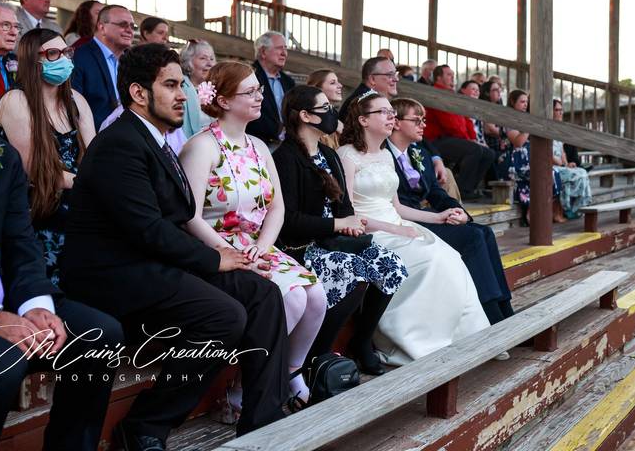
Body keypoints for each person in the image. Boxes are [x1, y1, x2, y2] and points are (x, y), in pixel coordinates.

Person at [61, 44, 291, 449]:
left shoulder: (156, 140)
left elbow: (177, 218)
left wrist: (227, 259)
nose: (183, 94)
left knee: (264, 294)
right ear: (138, 93)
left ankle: (263, 423)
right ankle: (145, 426)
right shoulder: (120, 143)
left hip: (160, 263)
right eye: (170, 85)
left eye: (182, 85)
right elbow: (146, 229)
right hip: (117, 274)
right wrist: (215, 258)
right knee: (224, 315)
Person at [0, 26, 122, 451]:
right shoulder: (16, 104)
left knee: (102, 333)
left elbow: (18, 240)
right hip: (46, 218)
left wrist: (36, 304)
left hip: (18, 279)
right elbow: (40, 176)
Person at [179, 61, 325, 412]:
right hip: (215, 247)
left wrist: (262, 245)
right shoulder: (201, 147)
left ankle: (289, 373)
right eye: (251, 92)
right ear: (225, 101)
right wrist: (230, 253)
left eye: (260, 90)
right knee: (291, 299)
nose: (260, 97)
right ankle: (243, 385)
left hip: (257, 245)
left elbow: (277, 207)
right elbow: (189, 217)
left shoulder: (258, 146)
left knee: (316, 296)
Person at [337, 91, 489, 365]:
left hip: (397, 224)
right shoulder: (346, 156)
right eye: (383, 112)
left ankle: (458, 337)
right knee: (431, 261)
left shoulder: (385, 155)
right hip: (368, 230)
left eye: (391, 112)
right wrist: (396, 231)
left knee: (450, 257)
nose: (391, 116)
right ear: (362, 120)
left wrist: (438, 217)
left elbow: (396, 207)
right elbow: (349, 213)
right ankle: (420, 341)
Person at [274, 86, 408, 375]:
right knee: (354, 271)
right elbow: (289, 220)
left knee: (391, 265)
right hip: (303, 246)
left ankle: (362, 340)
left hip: (334, 240)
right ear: (306, 116)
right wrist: (337, 224)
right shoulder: (285, 157)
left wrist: (350, 224)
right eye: (324, 109)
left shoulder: (327, 153)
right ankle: (317, 353)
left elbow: (344, 206)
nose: (332, 113)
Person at [389, 97, 513, 326]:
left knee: (484, 232)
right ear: (395, 123)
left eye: (424, 120)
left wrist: (459, 211)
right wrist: (440, 217)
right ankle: (491, 314)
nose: (423, 125)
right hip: (405, 221)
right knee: (472, 237)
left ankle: (505, 307)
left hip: (427, 215)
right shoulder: (384, 155)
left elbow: (435, 192)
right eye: (416, 120)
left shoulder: (419, 153)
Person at [0, 29, 94, 285]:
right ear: (32, 60)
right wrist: (92, 182)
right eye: (53, 54)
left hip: (79, 209)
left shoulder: (76, 100)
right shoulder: (16, 101)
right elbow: (36, 170)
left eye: (66, 52)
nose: (63, 59)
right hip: (38, 213)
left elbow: (93, 158)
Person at [341, 57, 461, 199]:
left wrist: (436, 157)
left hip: (396, 160)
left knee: (444, 176)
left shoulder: (379, 100)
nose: (396, 79)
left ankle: (454, 215)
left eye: (396, 75)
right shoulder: (361, 105)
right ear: (372, 79)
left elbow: (411, 131)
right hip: (379, 172)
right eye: (390, 75)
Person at [423, 65, 495, 201]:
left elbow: (466, 119)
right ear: (438, 77)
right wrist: (469, 140)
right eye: (449, 75)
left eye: (453, 74)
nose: (452, 77)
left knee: (488, 153)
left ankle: (470, 188)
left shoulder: (452, 94)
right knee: (474, 150)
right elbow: (449, 124)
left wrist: (472, 138)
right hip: (436, 140)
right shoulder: (436, 94)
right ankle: (463, 190)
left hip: (453, 138)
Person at [71, 4, 135, 130]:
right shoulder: (78, 57)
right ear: (102, 27)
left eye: (132, 26)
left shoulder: (132, 60)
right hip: (93, 140)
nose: (130, 30)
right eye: (123, 25)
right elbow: (72, 107)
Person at [505, 89, 564, 225]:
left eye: (527, 102)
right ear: (513, 102)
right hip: (515, 160)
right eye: (522, 101)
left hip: (530, 159)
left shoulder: (525, 119)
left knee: (554, 172)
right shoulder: (508, 119)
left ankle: (549, 210)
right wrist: (529, 126)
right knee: (543, 173)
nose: (525, 104)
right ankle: (533, 210)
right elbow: (518, 142)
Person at [247, 31, 295, 147]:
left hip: (287, 145)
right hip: (257, 144)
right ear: (263, 52)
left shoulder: (288, 81)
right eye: (279, 48)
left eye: (285, 48)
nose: (284, 53)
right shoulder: (249, 77)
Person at [551, 99, 592, 218]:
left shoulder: (558, 128)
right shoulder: (546, 128)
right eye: (557, 110)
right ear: (551, 112)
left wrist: (566, 163)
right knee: (574, 175)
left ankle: (580, 207)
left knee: (582, 172)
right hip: (553, 166)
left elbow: (562, 151)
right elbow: (548, 154)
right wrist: (562, 165)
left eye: (561, 110)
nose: (560, 113)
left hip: (561, 165)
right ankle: (568, 208)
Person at [180, 39, 216, 137]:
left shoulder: (216, 89)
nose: (210, 64)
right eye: (203, 58)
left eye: (212, 59)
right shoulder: (180, 89)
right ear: (188, 62)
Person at [307, 69, 344, 148]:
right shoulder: (312, 119)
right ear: (318, 88)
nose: (340, 85)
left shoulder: (334, 116)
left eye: (338, 81)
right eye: (333, 83)